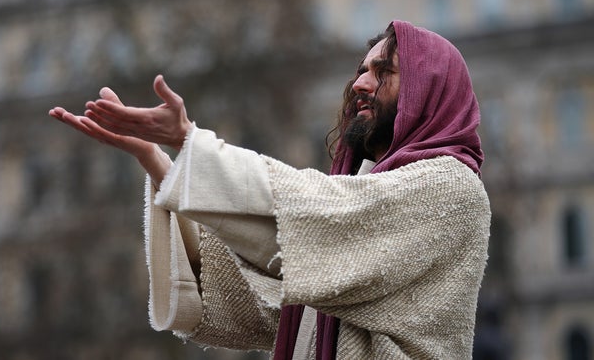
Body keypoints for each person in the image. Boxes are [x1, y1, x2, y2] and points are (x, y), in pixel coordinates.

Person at [50, 20, 491, 359]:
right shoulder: (363, 205)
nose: (359, 83)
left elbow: (317, 220)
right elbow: (260, 298)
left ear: (428, 92)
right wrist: (159, 162)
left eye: (383, 72)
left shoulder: (452, 187)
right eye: (361, 70)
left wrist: (190, 142)